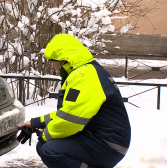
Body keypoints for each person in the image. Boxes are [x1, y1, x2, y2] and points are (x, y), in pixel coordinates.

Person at [17, 34, 131, 168]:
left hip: (107, 143)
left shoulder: (84, 76)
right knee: (45, 146)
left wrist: (45, 135)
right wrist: (35, 123)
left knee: (50, 150)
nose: (54, 67)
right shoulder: (83, 72)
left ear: (63, 60)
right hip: (99, 137)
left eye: (53, 62)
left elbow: (72, 120)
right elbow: (68, 113)